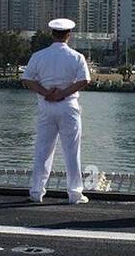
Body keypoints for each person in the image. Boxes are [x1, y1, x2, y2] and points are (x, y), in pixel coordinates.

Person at [21, 18, 92, 204]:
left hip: (46, 106)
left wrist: (46, 93)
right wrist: (62, 93)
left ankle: (36, 192)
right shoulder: (76, 57)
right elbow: (84, 80)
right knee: (72, 151)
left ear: (52, 33)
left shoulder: (39, 56)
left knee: (43, 150)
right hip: (68, 106)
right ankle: (75, 193)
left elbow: (27, 79)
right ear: (69, 34)